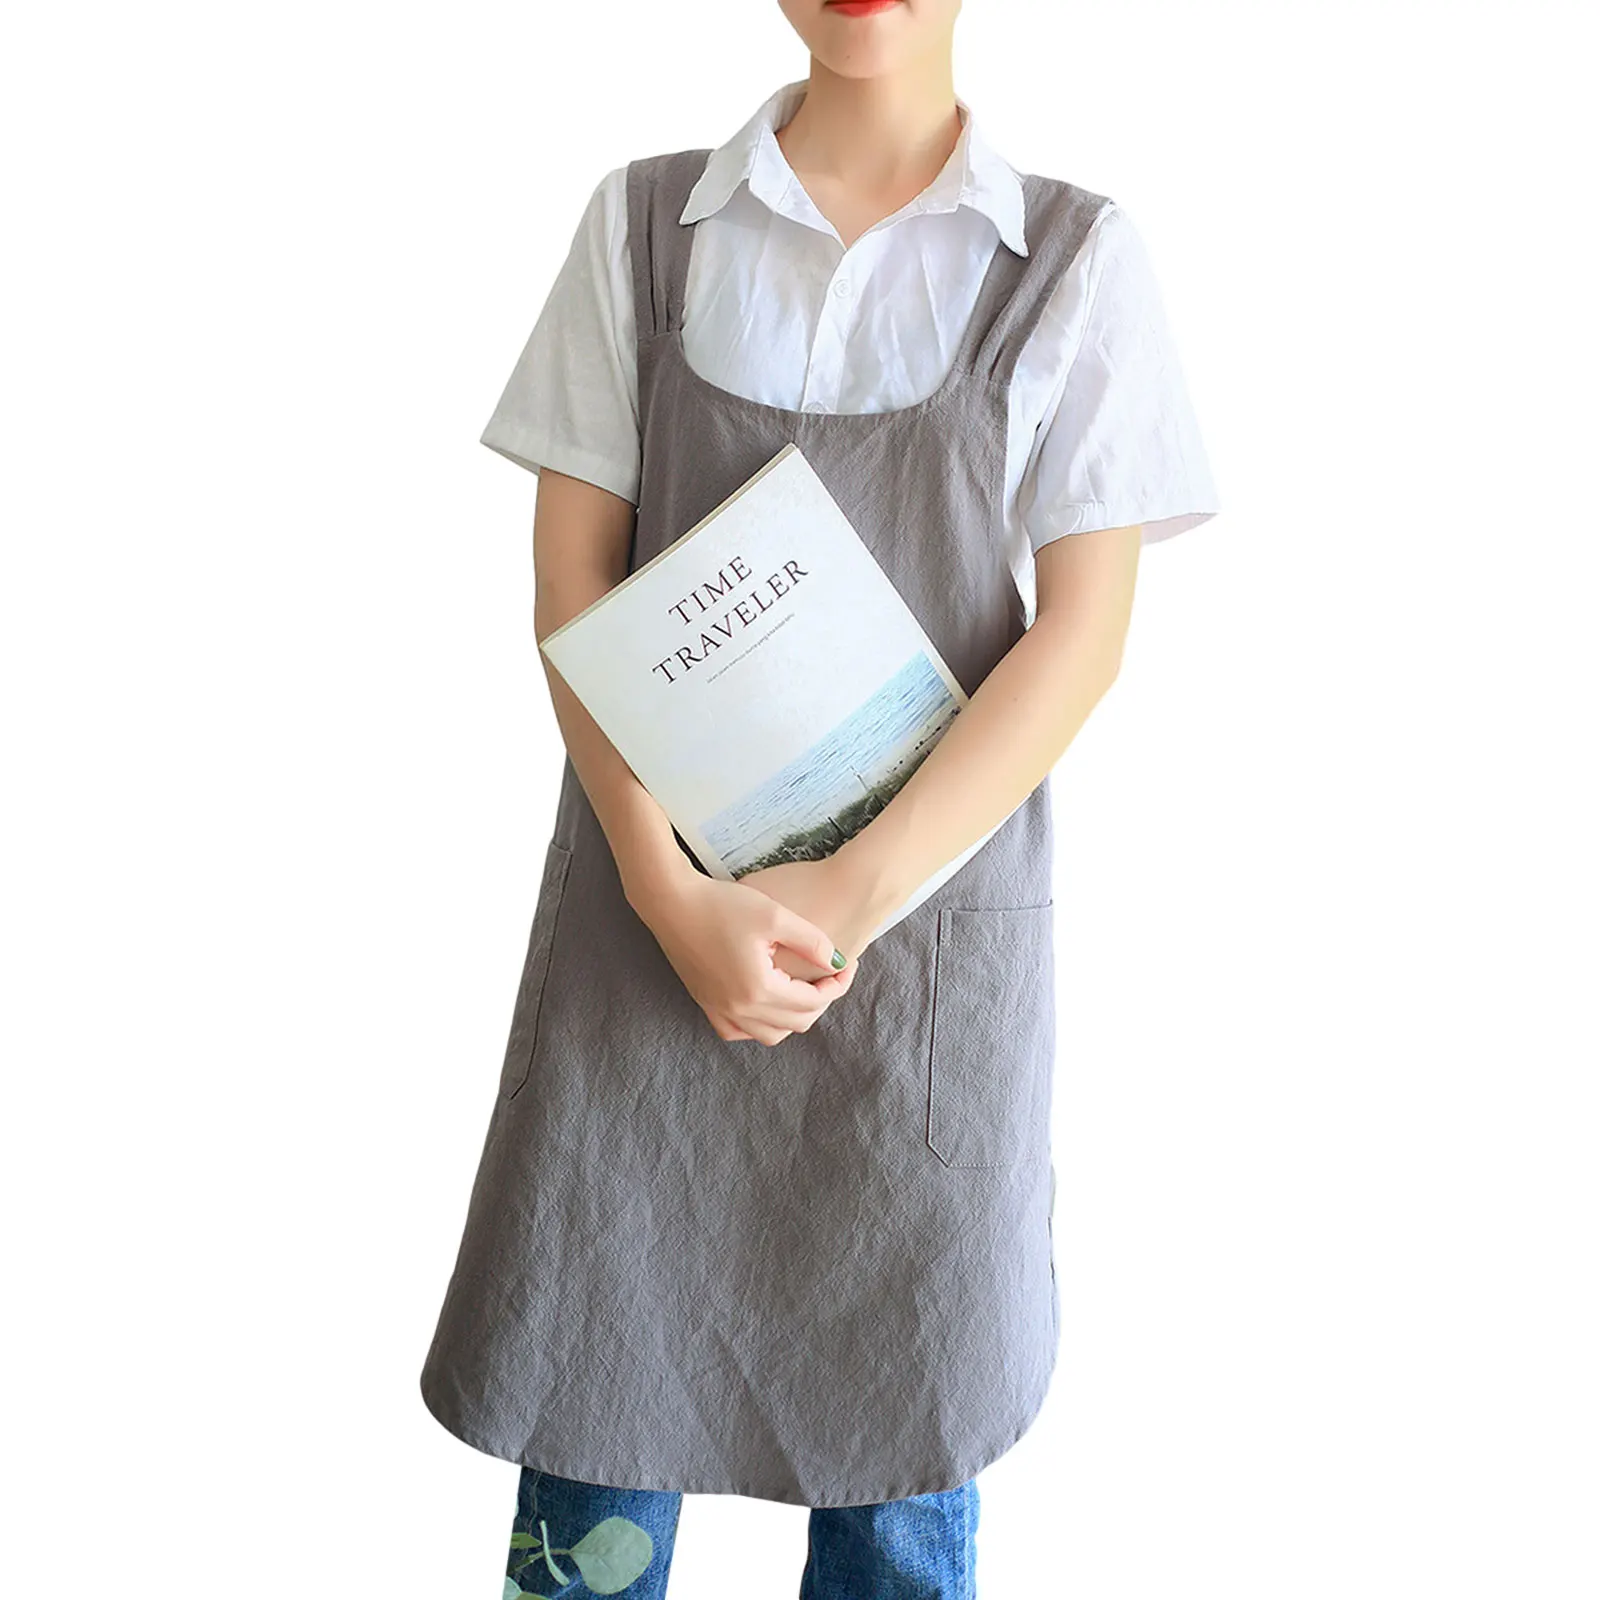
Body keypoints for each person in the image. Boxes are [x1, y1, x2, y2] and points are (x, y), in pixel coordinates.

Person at [422, 3, 1220, 1595]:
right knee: (597, 1405)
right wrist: (666, 889)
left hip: (920, 963)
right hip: (647, 930)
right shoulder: (645, 227)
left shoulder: (1075, 261)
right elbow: (574, 590)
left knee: (899, 1454)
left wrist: (840, 900)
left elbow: (1082, 639)